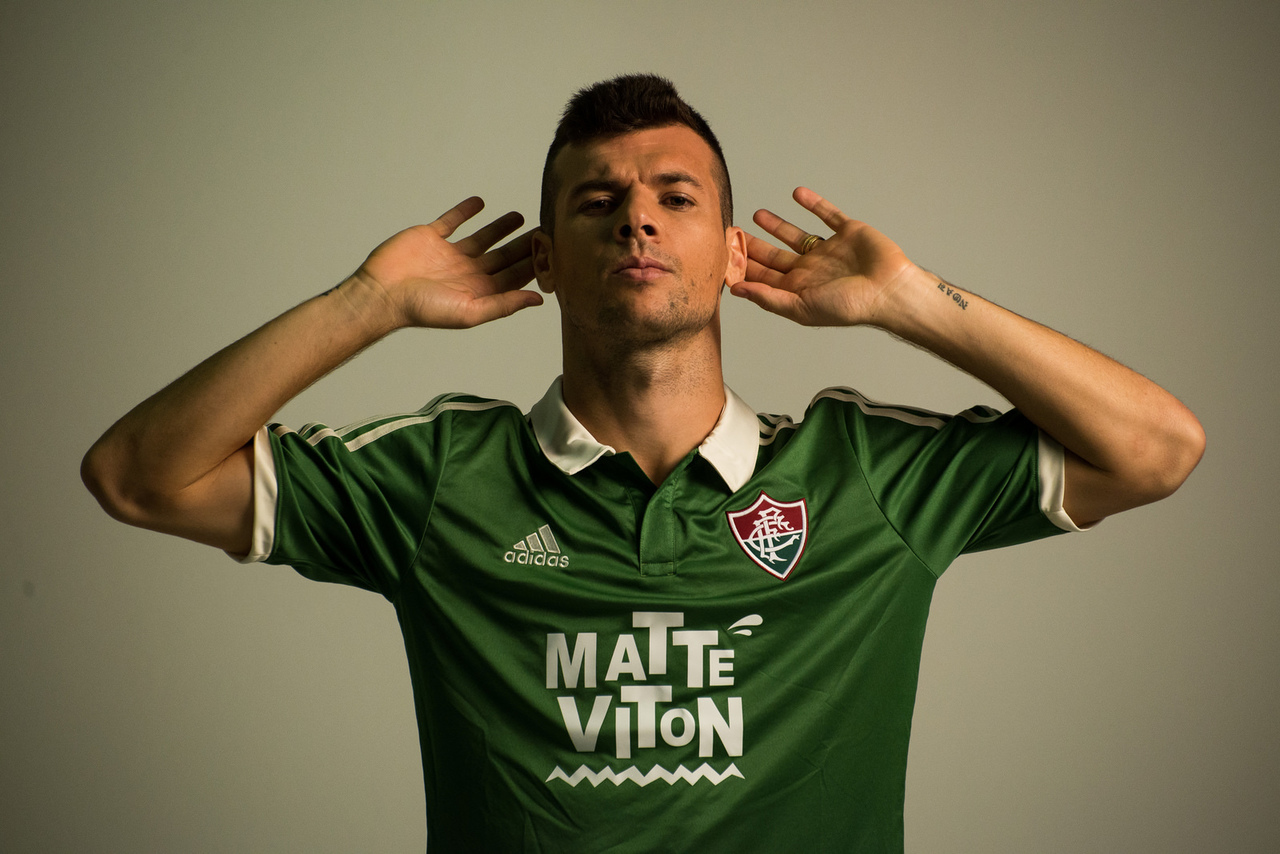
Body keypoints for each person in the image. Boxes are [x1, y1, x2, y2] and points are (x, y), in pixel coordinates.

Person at [82, 74, 1205, 851]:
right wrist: (365, 303)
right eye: (598, 201)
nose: (637, 221)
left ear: (732, 255)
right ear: (548, 258)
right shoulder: (437, 479)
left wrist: (911, 300)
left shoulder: (862, 476)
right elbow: (138, 475)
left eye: (676, 198)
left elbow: (1157, 447)